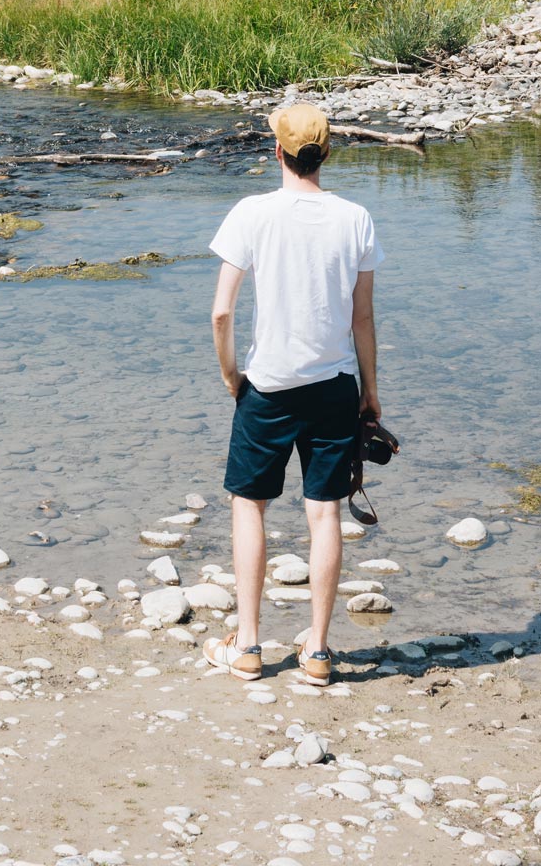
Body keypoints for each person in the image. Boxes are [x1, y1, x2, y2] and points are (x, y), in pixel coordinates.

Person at [203, 101, 383, 687]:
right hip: (334, 386)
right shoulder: (355, 218)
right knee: (323, 512)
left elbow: (222, 312)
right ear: (326, 152)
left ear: (273, 150)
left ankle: (249, 645)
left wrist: (233, 377)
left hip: (268, 387)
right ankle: (319, 655)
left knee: (249, 506)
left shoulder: (252, 213)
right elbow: (362, 317)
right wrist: (371, 393)